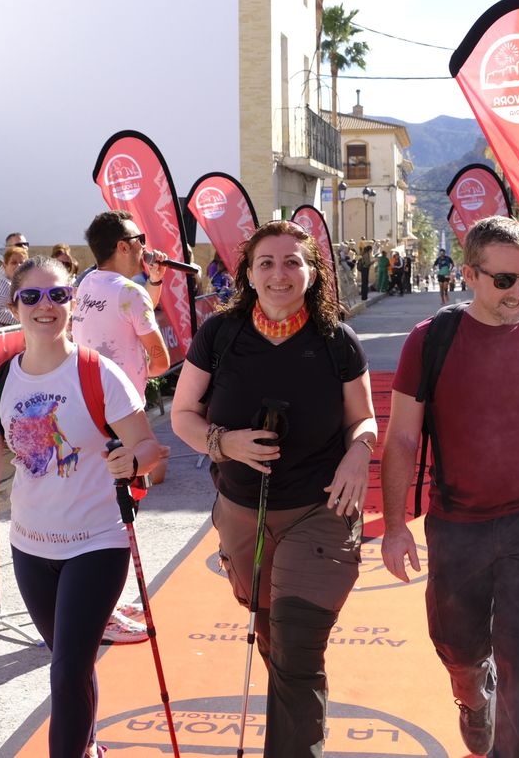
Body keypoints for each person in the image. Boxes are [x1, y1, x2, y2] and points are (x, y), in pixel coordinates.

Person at [379, 215, 519, 758]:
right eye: (504, 280)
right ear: (470, 276)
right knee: (458, 646)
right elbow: (403, 439)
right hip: (458, 523)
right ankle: (470, 693)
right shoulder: (429, 342)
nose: (518, 292)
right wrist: (392, 526)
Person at [0, 255, 169, 758]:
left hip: (97, 545)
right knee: (70, 664)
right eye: (32, 296)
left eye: (58, 295)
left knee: (65, 670)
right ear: (13, 305)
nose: (46, 306)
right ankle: (90, 746)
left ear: (73, 303)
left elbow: (152, 451)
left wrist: (133, 459)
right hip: (30, 549)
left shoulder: (98, 375)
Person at [170, 220, 375, 758]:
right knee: (274, 638)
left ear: (312, 272)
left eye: (293, 262)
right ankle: (305, 720)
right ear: (249, 272)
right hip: (243, 512)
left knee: (298, 647)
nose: (279, 274)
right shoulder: (222, 333)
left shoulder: (336, 340)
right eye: (267, 262)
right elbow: (182, 414)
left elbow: (365, 421)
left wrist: (359, 453)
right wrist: (223, 443)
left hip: (321, 510)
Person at [73, 211, 169, 482]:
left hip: (87, 405)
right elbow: (160, 362)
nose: (145, 247)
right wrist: (135, 373)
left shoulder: (87, 282)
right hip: (122, 412)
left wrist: (155, 280)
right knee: (144, 478)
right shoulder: (130, 293)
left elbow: (131, 309)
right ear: (123, 246)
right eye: (140, 239)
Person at [0, 244, 31, 328]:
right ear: (4, 266)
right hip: (3, 335)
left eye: (22, 263)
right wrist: (23, 320)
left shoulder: (16, 284)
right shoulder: (4, 284)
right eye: (14, 262)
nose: (18, 266)